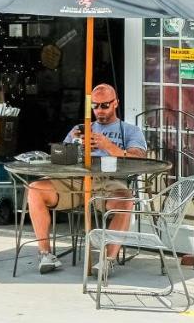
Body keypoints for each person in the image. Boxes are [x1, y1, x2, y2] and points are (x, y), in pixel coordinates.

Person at [27, 83, 147, 274]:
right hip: (75, 180)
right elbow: (61, 158)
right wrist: (75, 145)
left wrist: (107, 145)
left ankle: (108, 259)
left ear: (116, 103)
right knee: (35, 189)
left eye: (104, 105)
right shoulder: (82, 128)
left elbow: (139, 159)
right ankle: (45, 254)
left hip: (108, 181)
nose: (99, 111)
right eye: (95, 106)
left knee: (126, 201)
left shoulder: (130, 131)